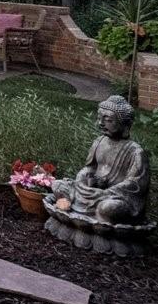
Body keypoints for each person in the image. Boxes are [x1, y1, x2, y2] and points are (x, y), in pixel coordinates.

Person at [52, 95, 148, 224]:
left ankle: (86, 217)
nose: (101, 123)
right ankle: (72, 206)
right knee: (58, 185)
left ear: (125, 124)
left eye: (108, 120)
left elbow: (135, 184)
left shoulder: (135, 151)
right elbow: (90, 167)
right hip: (90, 191)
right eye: (99, 118)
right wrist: (82, 179)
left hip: (113, 196)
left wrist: (107, 191)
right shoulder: (99, 142)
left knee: (108, 208)